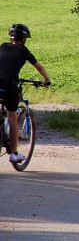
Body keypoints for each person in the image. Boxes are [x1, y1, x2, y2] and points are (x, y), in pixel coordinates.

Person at [0, 24, 51, 164]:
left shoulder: (2, 46)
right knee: (12, 117)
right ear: (23, 38)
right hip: (9, 86)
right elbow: (38, 66)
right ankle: (14, 153)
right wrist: (47, 80)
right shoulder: (24, 51)